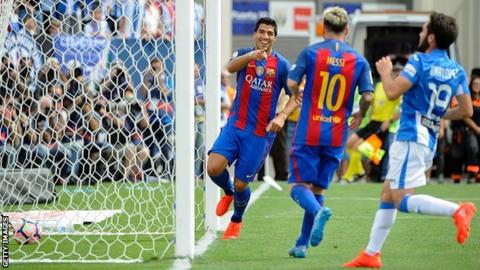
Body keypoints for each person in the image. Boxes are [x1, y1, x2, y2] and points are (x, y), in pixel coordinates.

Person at [343, 12, 477, 268]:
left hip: (410, 136)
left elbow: (392, 92)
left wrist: (384, 72)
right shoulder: (456, 70)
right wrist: (437, 115)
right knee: (387, 193)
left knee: (401, 199)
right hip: (426, 138)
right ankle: (371, 254)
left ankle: (458, 210)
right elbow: (466, 111)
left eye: (423, 29)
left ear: (432, 38)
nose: (420, 33)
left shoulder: (420, 61)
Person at [286, 6, 373, 258]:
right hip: (336, 134)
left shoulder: (311, 52)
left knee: (296, 184)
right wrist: (361, 113)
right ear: (347, 30)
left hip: (309, 130)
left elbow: (292, 82)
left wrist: (295, 93)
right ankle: (302, 244)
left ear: (323, 28)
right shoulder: (359, 60)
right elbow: (367, 95)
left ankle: (318, 213)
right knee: (318, 190)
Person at [207, 17, 298, 240]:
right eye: (262, 32)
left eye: (270, 33)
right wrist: (251, 56)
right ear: (255, 34)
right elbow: (229, 67)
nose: (265, 36)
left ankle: (236, 220)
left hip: (259, 134)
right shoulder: (244, 54)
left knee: (241, 183)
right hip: (235, 126)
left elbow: (297, 96)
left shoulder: (282, 65)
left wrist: (282, 116)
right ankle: (227, 193)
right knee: (213, 168)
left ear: (274, 37)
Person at [345, 62, 403, 182]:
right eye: (395, 71)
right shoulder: (379, 86)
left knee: (363, 150)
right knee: (349, 144)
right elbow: (372, 102)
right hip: (372, 122)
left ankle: (356, 176)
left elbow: (400, 109)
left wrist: (390, 121)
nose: (397, 74)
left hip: (383, 124)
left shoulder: (398, 89)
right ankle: (359, 171)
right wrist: (363, 112)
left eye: (400, 72)